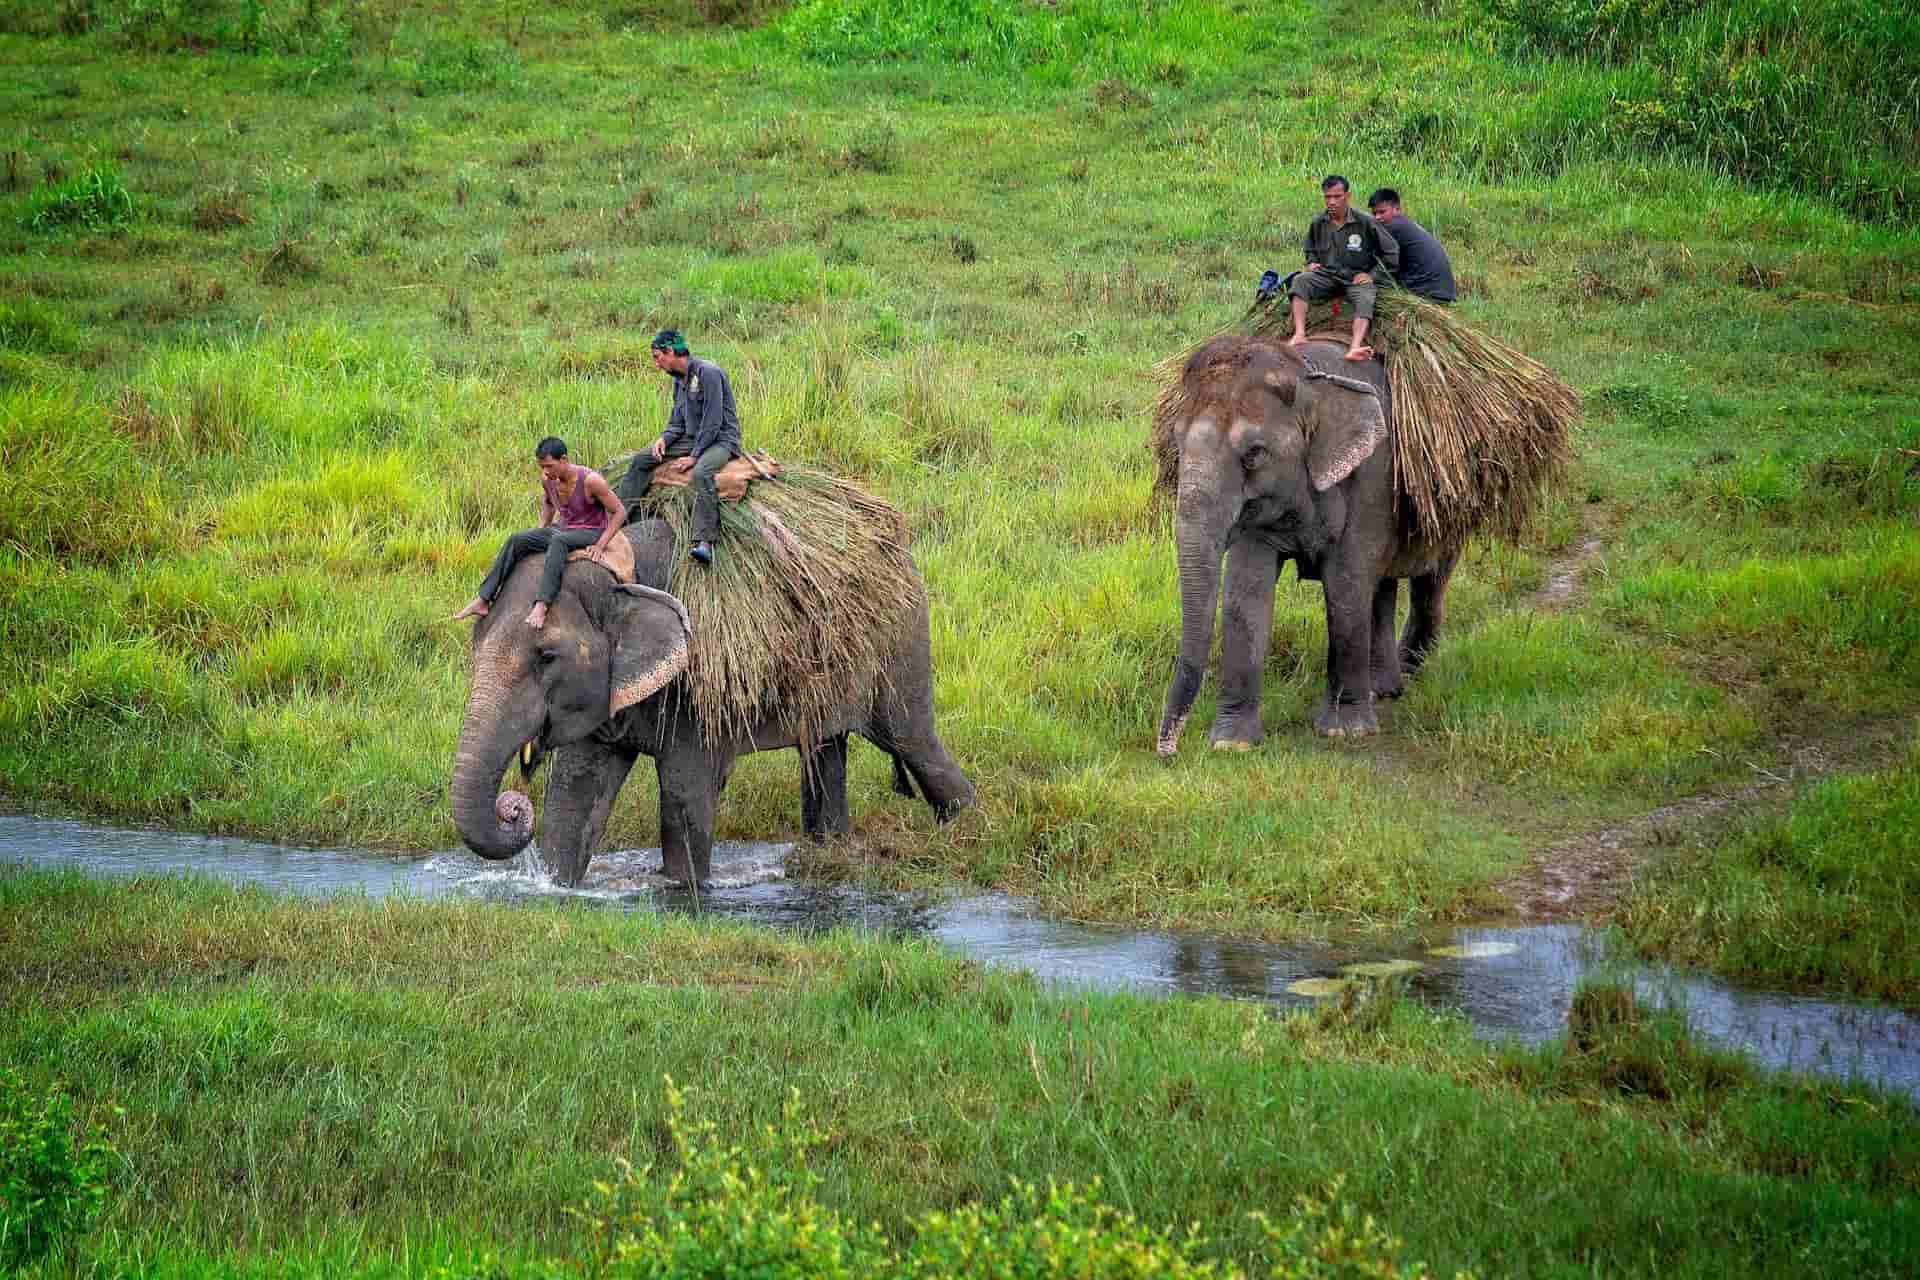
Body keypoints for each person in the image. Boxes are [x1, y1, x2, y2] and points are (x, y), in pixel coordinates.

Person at [451, 436, 627, 629]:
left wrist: (600, 545)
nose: (545, 471)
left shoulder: (591, 481)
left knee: (559, 541)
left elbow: (619, 511)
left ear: (564, 460)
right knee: (517, 539)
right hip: (564, 527)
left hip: (590, 530)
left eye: (549, 466)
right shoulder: (548, 480)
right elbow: (549, 503)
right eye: (542, 467)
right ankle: (484, 599)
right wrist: (542, 527)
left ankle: (542, 604)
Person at [619, 329, 742, 567]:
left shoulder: (708, 373)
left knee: (700, 473)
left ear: (672, 352)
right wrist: (664, 439)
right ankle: (621, 516)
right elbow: (678, 421)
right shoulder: (678, 380)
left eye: (658, 357)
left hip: (720, 439)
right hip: (692, 436)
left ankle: (705, 541)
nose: (657, 364)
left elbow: (713, 421)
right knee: (642, 460)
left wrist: (694, 456)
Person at [1286, 174, 1400, 362]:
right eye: (1327, 197)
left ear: (1347, 196)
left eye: (1336, 197)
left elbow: (1391, 251)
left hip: (1355, 278)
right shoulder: (1319, 222)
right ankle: (1299, 334)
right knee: (1300, 282)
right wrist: (1312, 261)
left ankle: (1355, 345)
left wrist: (1372, 275)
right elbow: (1310, 247)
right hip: (1328, 275)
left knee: (1365, 297)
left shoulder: (1364, 222)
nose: (1331, 202)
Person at [1366, 187, 1456, 304]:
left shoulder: (1393, 227)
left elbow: (1368, 256)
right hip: (1443, 292)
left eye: (1382, 212)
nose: (1377, 217)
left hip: (1428, 294)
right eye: (1374, 213)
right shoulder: (1405, 224)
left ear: (1397, 209)